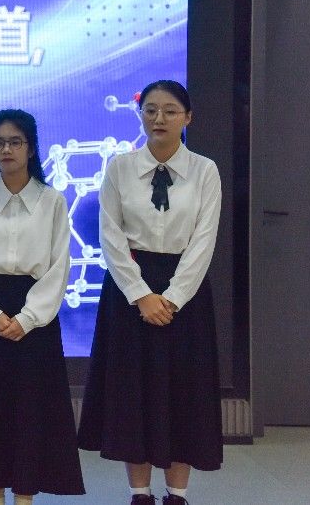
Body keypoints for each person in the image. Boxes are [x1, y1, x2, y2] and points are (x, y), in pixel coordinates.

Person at [77, 80, 223, 505]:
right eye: (151, 110)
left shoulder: (205, 170)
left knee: (184, 393)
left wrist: (173, 297)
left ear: (188, 117)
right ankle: (139, 494)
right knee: (133, 392)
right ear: (140, 115)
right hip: (129, 291)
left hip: (186, 292)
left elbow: (204, 239)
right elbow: (110, 236)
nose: (159, 118)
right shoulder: (120, 168)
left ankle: (176, 494)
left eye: (170, 110)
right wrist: (141, 295)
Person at [0, 109, 85, 504]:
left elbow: (58, 268)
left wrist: (27, 318)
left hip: (35, 321)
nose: (6, 150)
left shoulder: (51, 201)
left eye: (15, 142)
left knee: (30, 416)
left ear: (31, 148)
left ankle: (24, 499)